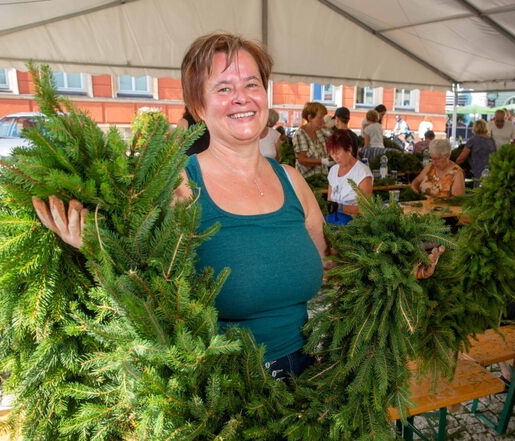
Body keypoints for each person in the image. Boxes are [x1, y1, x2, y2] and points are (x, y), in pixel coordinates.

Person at [32, 33, 328, 381]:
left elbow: (324, 258)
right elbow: (146, 281)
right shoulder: (179, 185)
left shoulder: (292, 180)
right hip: (223, 391)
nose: (242, 98)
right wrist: (101, 247)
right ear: (199, 106)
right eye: (223, 88)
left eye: (251, 84)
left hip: (309, 377)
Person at [326, 130, 373, 224]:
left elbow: (365, 209)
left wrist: (340, 207)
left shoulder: (363, 173)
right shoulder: (333, 170)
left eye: (338, 153)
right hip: (333, 220)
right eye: (332, 154)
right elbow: (329, 200)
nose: (335, 158)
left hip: (353, 225)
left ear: (349, 150)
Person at [293, 102, 332, 178]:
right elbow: (301, 160)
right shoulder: (300, 134)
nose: (323, 121)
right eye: (320, 118)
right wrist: (322, 161)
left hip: (322, 176)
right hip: (306, 179)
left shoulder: (320, 131)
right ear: (310, 117)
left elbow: (335, 140)